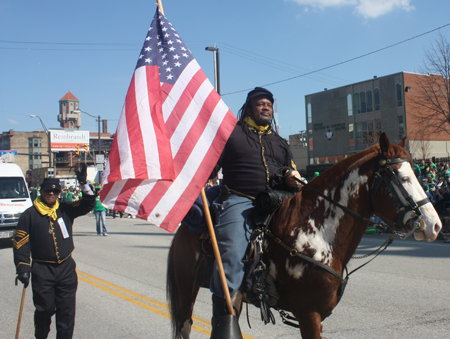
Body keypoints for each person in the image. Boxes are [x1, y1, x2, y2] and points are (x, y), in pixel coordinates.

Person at [208, 87, 300, 337]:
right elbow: (209, 166)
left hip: (280, 201)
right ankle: (222, 323)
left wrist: (293, 177)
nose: (266, 107)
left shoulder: (280, 141)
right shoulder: (230, 134)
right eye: (260, 104)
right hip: (241, 200)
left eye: (268, 104)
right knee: (232, 253)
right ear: (248, 108)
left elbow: (291, 169)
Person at [12, 164, 96, 339]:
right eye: (47, 192)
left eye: (55, 192)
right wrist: (23, 268)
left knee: (66, 313)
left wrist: (83, 183)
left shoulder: (65, 209)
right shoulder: (29, 215)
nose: (51, 194)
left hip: (66, 269)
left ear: (59, 193)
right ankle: (41, 335)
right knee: (45, 309)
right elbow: (21, 244)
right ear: (41, 192)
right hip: (43, 270)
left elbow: (88, 204)